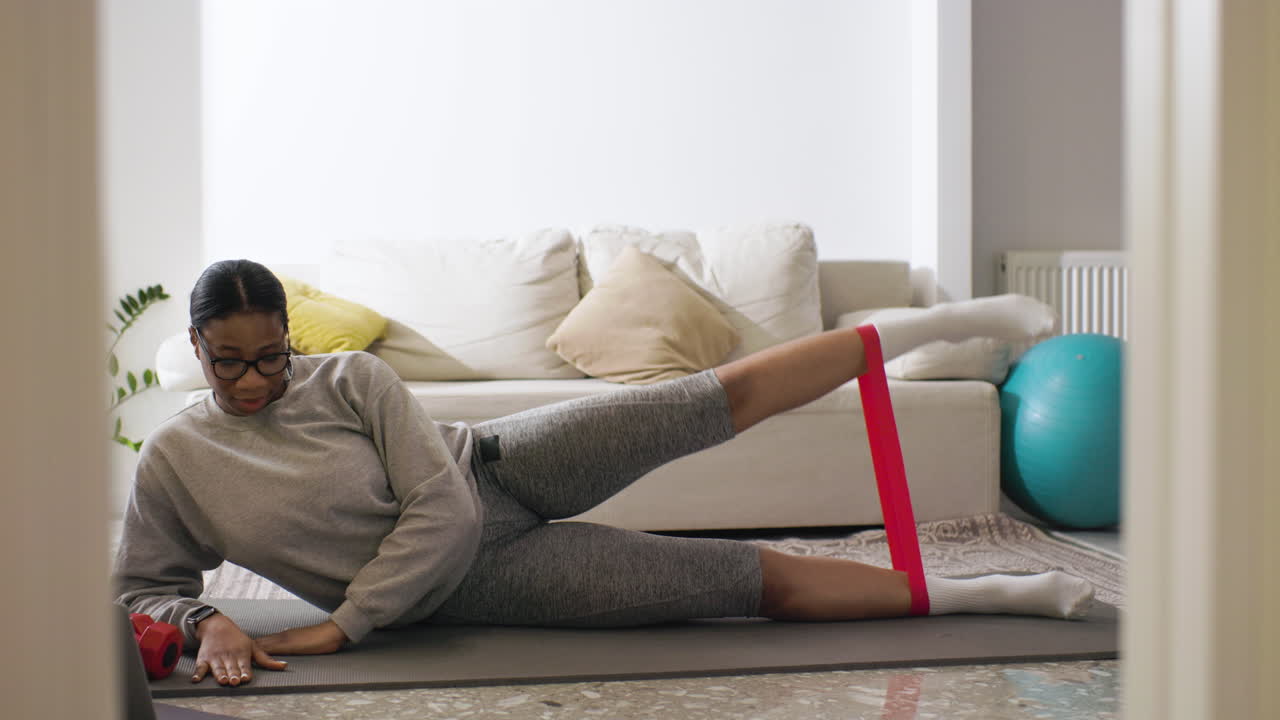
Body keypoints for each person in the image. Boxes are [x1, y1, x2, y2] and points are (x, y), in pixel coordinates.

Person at [113, 259, 1094, 688]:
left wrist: (348, 621)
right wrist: (206, 621)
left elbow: (441, 502)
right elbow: (141, 589)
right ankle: (994, 589)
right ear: (196, 350)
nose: (257, 380)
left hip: (498, 465)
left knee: (710, 398)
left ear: (288, 337)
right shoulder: (177, 462)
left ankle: (944, 322)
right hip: (484, 584)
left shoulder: (350, 381)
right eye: (231, 363)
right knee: (740, 582)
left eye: (272, 356)